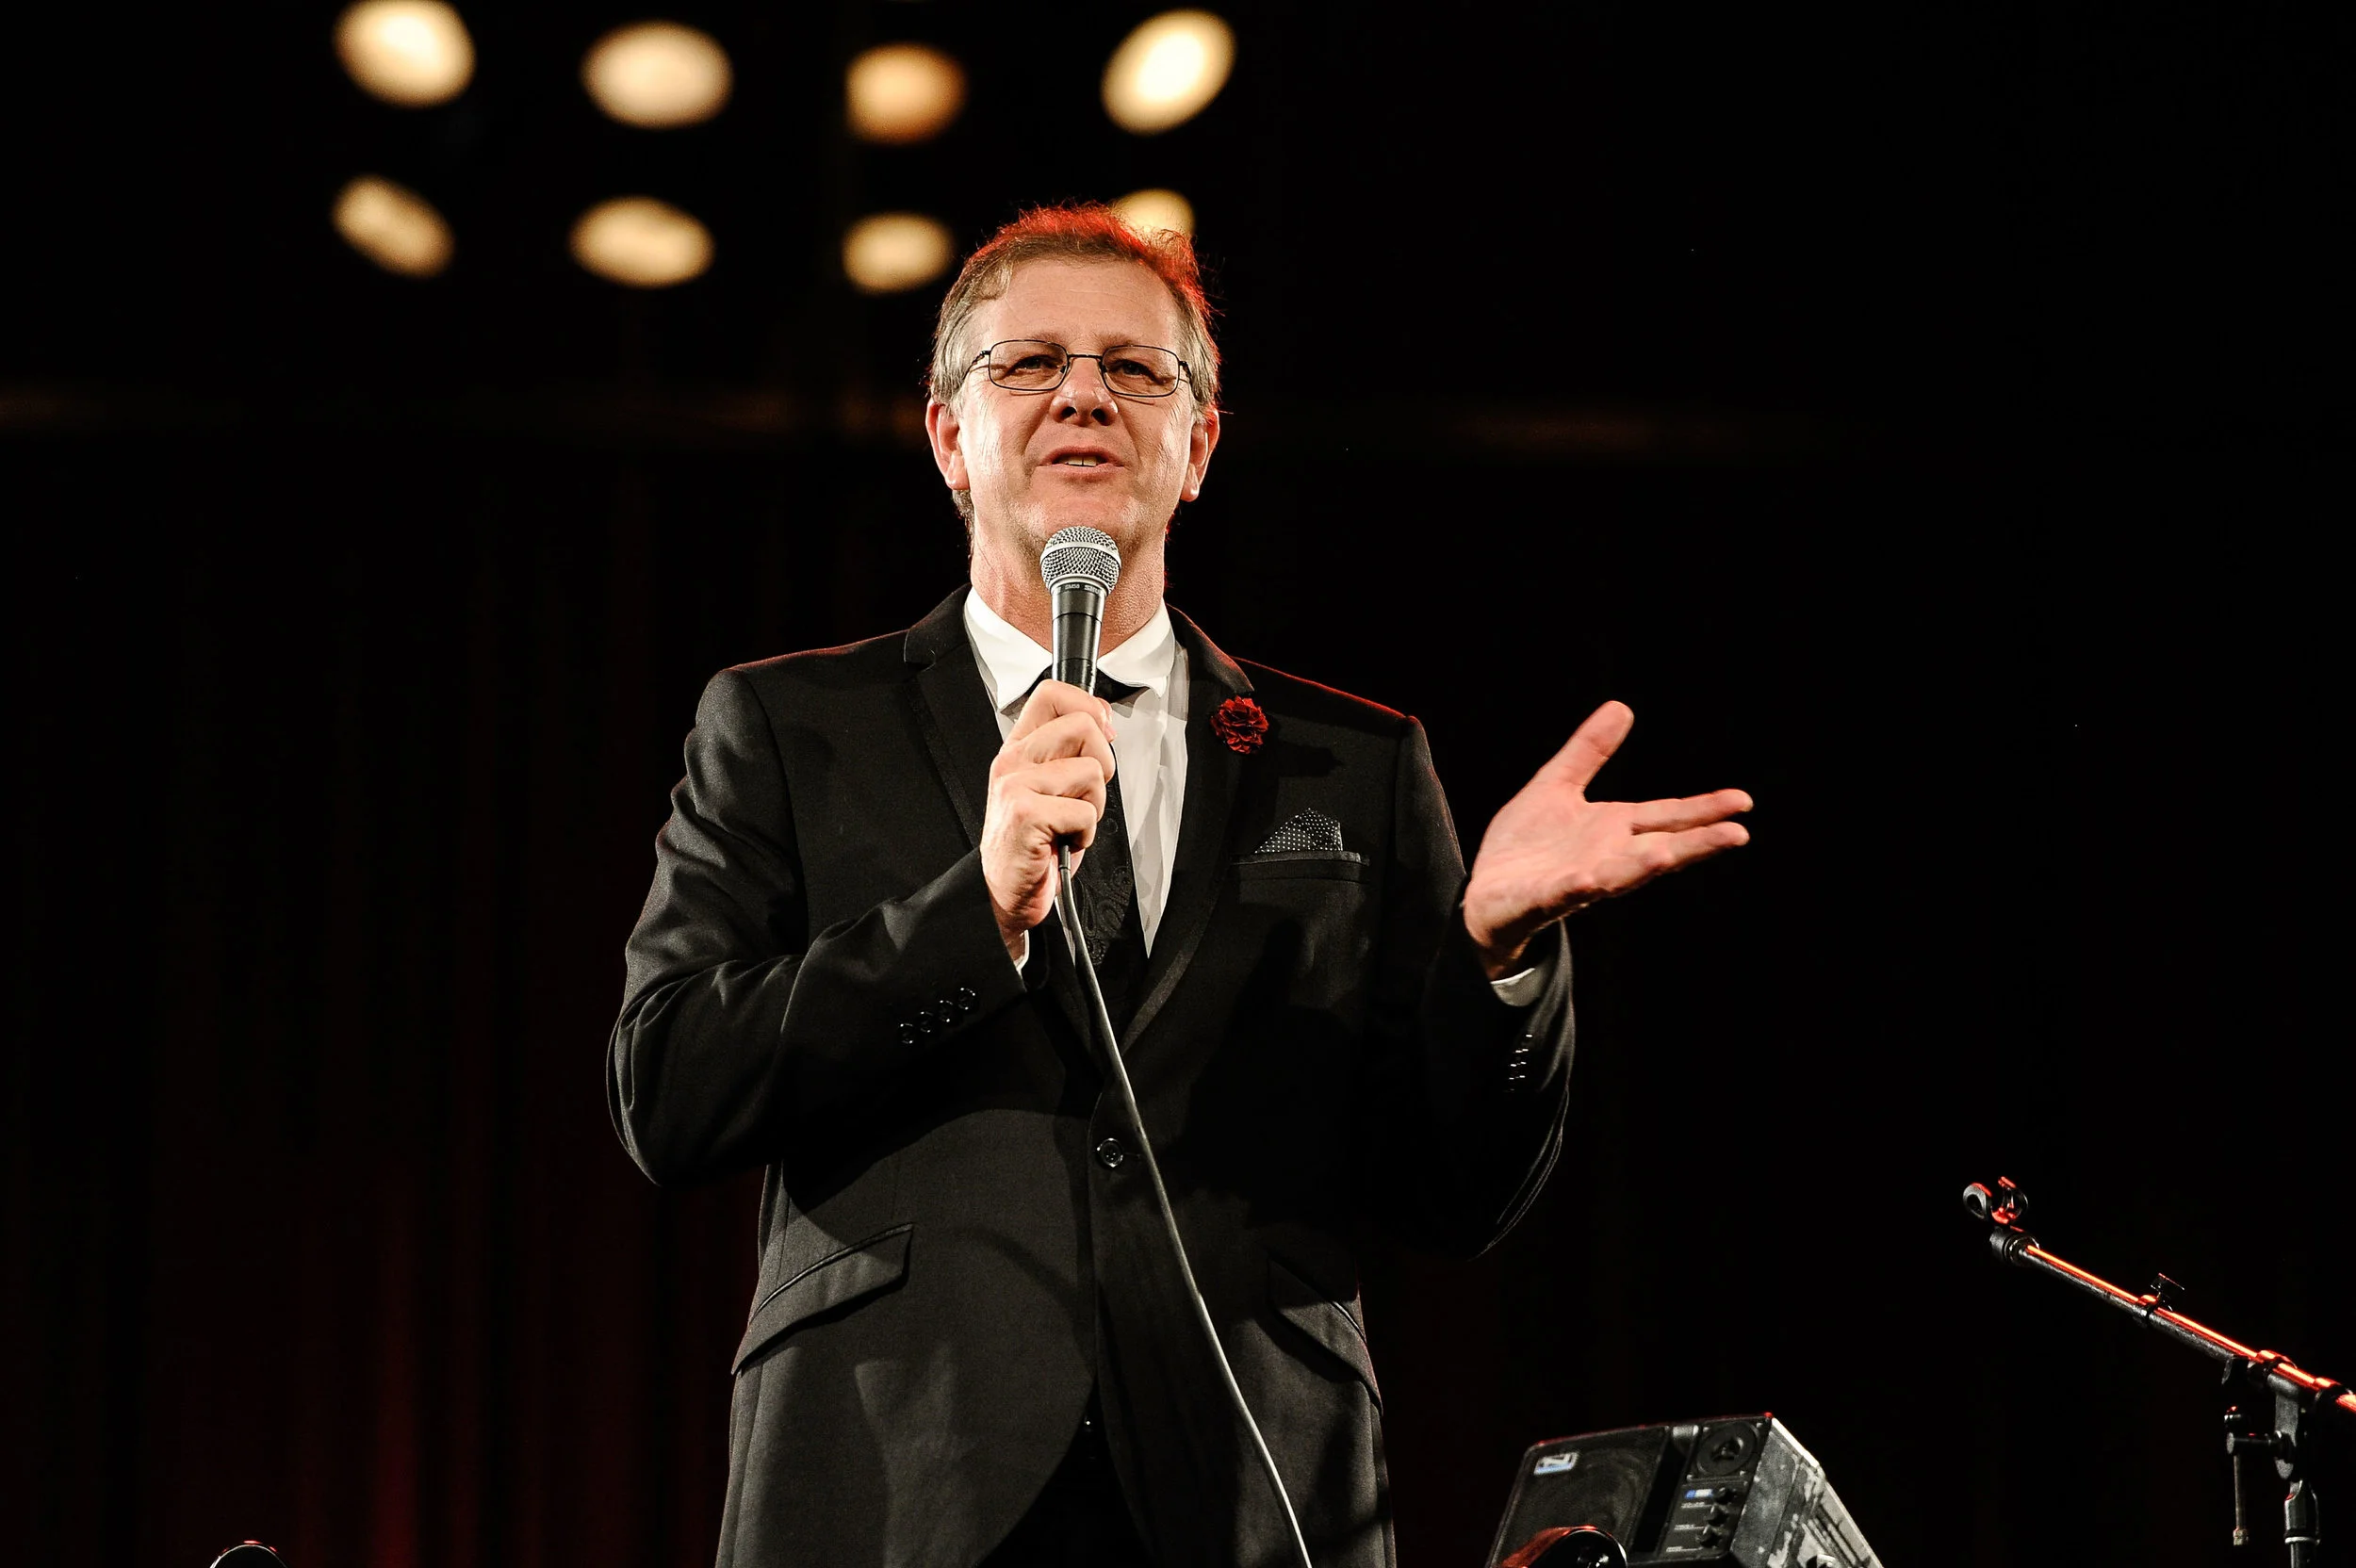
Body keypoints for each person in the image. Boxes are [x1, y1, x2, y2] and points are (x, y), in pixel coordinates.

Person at [608, 205, 1752, 1568]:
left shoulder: (1353, 762)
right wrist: (975, 915)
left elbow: (1454, 1193)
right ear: (949, 438)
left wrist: (1498, 962)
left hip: (1250, 1482)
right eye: (1031, 363)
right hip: (897, 1471)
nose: (1084, 394)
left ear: (1199, 445)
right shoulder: (791, 726)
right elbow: (670, 1089)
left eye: (1135, 370)